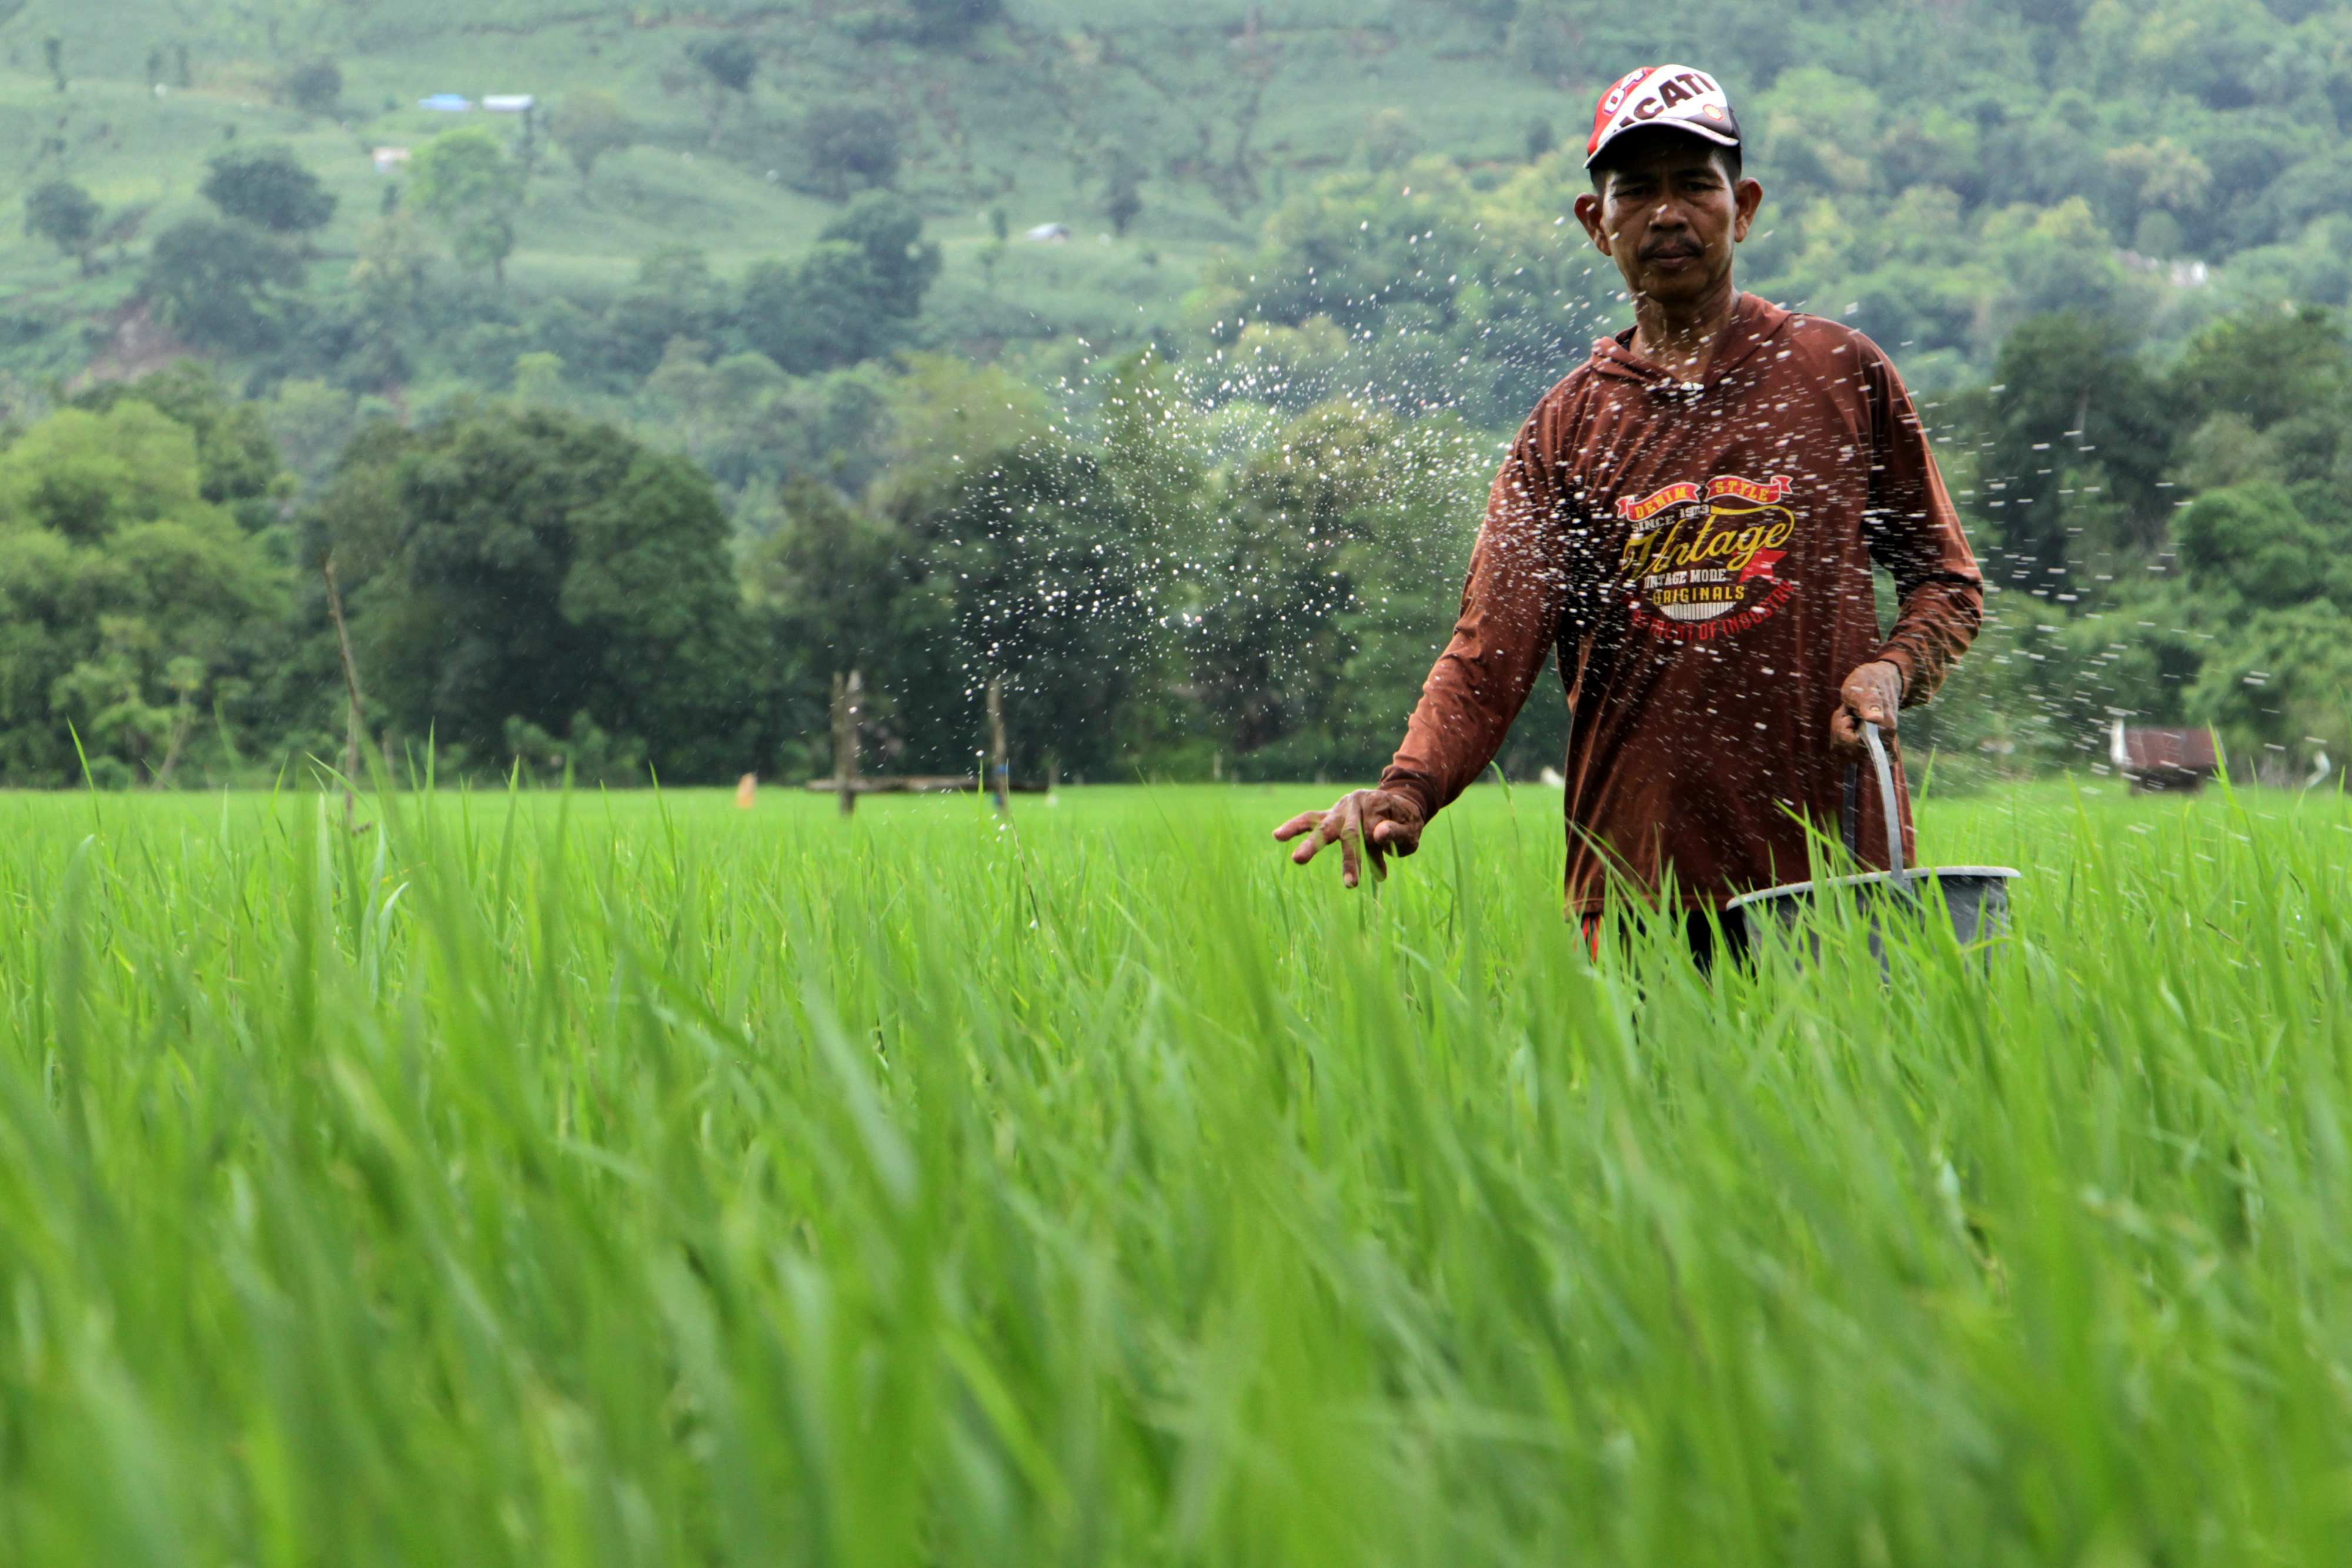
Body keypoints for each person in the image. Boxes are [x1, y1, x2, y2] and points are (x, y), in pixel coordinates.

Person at [1273, 64, 1983, 967]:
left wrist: (1894, 669)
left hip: (1841, 879)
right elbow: (1490, 655)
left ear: (1746, 204)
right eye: (1636, 190)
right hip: (1637, 890)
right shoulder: (1566, 429)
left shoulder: (1839, 374)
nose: (1668, 212)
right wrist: (1405, 791)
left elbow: (1945, 582)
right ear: (1593, 221)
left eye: (1696, 184)